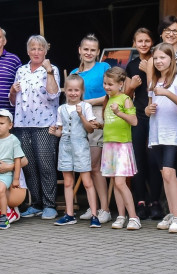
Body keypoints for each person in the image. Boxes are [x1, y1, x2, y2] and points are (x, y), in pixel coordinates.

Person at [10, 35, 62, 219]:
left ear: (46, 51)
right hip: (23, 124)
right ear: (28, 51)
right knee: (29, 166)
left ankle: (50, 204)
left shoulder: (51, 69)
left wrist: (48, 72)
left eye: (40, 49)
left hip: (45, 124)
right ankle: (37, 204)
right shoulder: (21, 70)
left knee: (46, 165)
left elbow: (54, 94)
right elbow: (12, 100)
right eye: (33, 48)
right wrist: (12, 91)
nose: (36, 52)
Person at [145, 43, 177, 233]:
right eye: (156, 58)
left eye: (163, 57)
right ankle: (172, 213)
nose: (159, 61)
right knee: (164, 174)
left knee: (170, 174)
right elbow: (149, 107)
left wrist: (167, 93)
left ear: (172, 60)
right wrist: (148, 110)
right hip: (156, 135)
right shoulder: (153, 82)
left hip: (171, 134)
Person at [70, 34, 111, 223]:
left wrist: (88, 101)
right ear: (80, 50)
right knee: (85, 166)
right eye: (85, 49)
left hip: (98, 116)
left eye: (93, 50)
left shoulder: (104, 67)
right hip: (79, 118)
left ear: (98, 52)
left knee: (95, 166)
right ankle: (92, 206)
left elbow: (112, 94)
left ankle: (105, 209)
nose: (89, 53)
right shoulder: (74, 74)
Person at [50, 75, 98, 225]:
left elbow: (90, 129)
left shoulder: (86, 106)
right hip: (65, 146)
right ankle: (69, 214)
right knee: (68, 182)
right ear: (65, 91)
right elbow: (61, 131)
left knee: (87, 181)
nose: (73, 93)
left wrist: (81, 115)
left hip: (81, 146)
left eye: (76, 90)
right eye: (70, 90)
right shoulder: (61, 108)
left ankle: (94, 215)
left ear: (82, 91)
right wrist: (54, 132)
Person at [125, 28, 162, 218]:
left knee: (154, 159)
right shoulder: (131, 65)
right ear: (134, 43)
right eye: (140, 41)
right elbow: (127, 95)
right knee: (138, 160)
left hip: (156, 114)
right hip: (138, 116)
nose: (144, 44)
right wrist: (131, 86)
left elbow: (156, 87)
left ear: (152, 42)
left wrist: (149, 70)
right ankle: (140, 200)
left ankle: (155, 200)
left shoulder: (158, 60)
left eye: (147, 40)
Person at [101, 67, 141, 230]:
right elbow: (109, 123)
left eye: (110, 84)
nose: (107, 87)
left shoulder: (125, 99)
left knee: (120, 182)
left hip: (122, 146)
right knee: (115, 182)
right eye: (105, 83)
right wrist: (100, 126)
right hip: (109, 144)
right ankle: (121, 215)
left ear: (120, 84)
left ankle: (134, 217)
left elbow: (134, 121)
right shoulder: (108, 99)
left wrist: (120, 113)